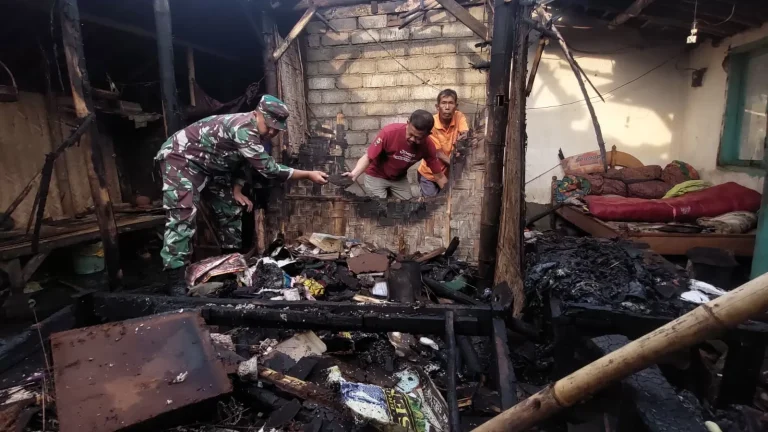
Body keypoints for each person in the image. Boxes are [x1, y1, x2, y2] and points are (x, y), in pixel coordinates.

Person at [155, 95, 328, 284]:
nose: (270, 131)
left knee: (230, 208)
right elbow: (268, 169)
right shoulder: (243, 127)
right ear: (256, 114)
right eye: (268, 125)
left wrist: (237, 190)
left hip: (213, 167)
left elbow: (243, 164)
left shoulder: (258, 135)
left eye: (276, 129)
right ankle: (175, 280)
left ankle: (228, 265)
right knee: (183, 215)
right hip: (181, 159)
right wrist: (307, 174)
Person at [343, 109, 447, 200]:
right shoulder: (389, 133)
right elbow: (368, 157)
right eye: (410, 134)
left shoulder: (428, 146)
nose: (412, 139)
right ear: (408, 123)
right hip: (376, 176)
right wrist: (354, 174)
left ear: (428, 135)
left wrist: (451, 193)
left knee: (409, 209)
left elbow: (438, 176)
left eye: (418, 138)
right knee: (380, 209)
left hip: (399, 179)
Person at [417, 89, 469, 197]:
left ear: (456, 106)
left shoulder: (459, 116)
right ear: (437, 107)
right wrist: (460, 166)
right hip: (430, 174)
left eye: (451, 103)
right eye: (444, 103)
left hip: (448, 175)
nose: (447, 107)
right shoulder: (431, 123)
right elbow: (438, 153)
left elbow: (465, 134)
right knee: (431, 206)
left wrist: (464, 139)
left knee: (448, 204)